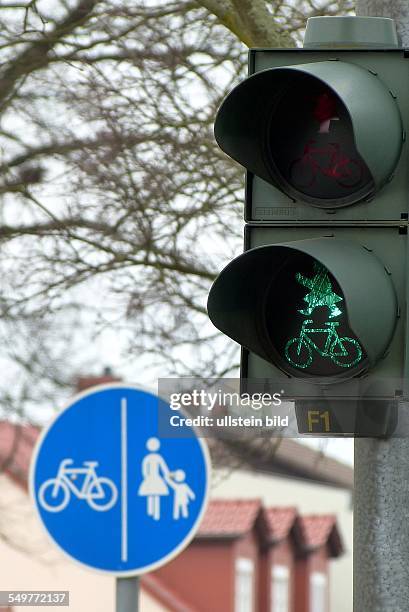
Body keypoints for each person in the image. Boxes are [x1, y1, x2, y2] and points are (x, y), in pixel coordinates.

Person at [138, 437, 170, 520]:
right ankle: (153, 513)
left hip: (151, 478)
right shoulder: (156, 457)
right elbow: (164, 469)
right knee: (154, 494)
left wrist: (146, 477)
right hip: (154, 478)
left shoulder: (148, 458)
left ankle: (152, 512)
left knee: (152, 494)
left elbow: (144, 470)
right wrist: (167, 475)